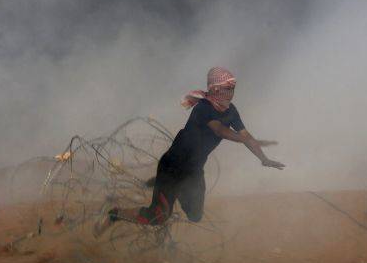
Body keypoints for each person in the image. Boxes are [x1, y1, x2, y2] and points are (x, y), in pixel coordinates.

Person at [94, 67, 285, 236]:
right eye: (227, 89)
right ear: (215, 89)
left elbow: (246, 135)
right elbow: (219, 130)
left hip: (193, 171)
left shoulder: (231, 111)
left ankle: (164, 189)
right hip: (173, 166)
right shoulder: (203, 108)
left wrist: (263, 158)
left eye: (232, 89)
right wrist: (245, 139)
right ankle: (115, 214)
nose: (231, 93)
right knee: (158, 217)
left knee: (195, 215)